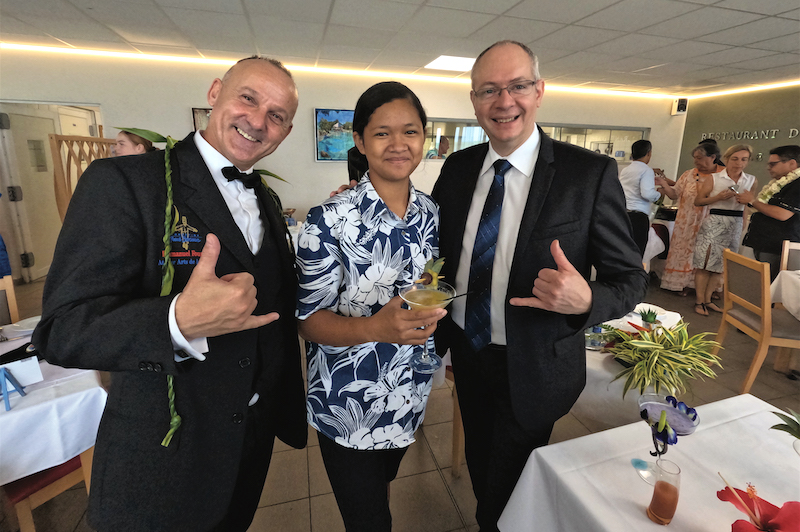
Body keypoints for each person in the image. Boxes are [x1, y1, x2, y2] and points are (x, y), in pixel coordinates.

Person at [32, 56, 308, 532]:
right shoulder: (123, 183)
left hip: (250, 440)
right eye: (248, 98)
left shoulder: (265, 197)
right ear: (215, 93)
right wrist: (177, 321)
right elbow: (62, 330)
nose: (259, 121)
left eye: (278, 116)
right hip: (165, 452)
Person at [431, 41, 648, 532]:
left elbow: (632, 279)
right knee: (485, 466)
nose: (504, 101)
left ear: (540, 91)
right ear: (473, 100)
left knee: (507, 486)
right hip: (468, 351)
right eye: (489, 90)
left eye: (518, 86)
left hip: (536, 365)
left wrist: (588, 299)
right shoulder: (458, 169)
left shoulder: (587, 174)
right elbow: (439, 255)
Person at [296, 81, 443, 531]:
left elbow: (429, 281)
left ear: (424, 138)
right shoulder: (329, 221)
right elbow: (307, 321)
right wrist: (374, 329)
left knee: (381, 493)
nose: (398, 144)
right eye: (382, 133)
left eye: (410, 131)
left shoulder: (431, 213)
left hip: (410, 395)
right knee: (369, 522)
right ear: (359, 140)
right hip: (348, 406)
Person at [691, 144, 757, 315]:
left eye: (744, 159)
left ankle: (708, 299)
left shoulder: (751, 180)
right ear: (727, 159)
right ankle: (699, 301)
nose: (739, 163)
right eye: (735, 159)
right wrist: (718, 197)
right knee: (705, 263)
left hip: (735, 222)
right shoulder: (714, 178)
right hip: (714, 221)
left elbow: (749, 204)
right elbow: (698, 201)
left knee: (721, 265)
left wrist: (743, 222)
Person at [656, 143, 723, 295]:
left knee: (706, 254)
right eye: (695, 158)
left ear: (713, 157)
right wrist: (663, 184)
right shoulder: (688, 174)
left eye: (700, 158)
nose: (696, 162)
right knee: (684, 252)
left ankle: (707, 289)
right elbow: (674, 194)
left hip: (711, 221)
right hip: (686, 222)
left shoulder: (723, 175)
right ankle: (682, 284)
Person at [737, 145, 800, 281]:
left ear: (792, 163)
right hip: (765, 242)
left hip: (777, 247)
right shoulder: (780, 183)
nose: (768, 167)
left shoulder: (797, 185)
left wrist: (753, 201)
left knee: (770, 289)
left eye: (773, 164)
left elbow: (783, 214)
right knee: (760, 285)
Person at [618, 139, 663, 256]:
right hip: (638, 216)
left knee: (623, 250)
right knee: (636, 253)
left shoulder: (626, 170)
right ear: (649, 153)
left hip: (623, 214)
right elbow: (647, 194)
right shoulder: (646, 170)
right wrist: (659, 194)